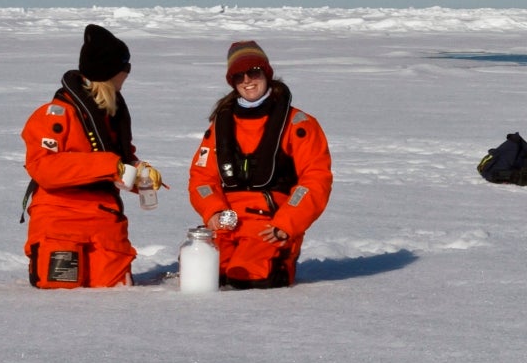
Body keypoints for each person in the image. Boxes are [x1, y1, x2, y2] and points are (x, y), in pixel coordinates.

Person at [21, 23, 163, 287]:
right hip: (60, 219)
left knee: (118, 292)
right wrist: (111, 166)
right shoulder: (53, 116)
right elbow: (44, 168)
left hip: (103, 219)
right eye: (126, 68)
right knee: (62, 294)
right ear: (110, 73)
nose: (128, 74)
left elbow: (119, 161)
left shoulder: (111, 114)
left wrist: (140, 173)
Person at [187, 40, 334, 288]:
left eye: (253, 72)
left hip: (270, 225)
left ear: (266, 73)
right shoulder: (219, 127)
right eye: (238, 76)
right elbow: (202, 179)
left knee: (248, 275)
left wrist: (286, 225)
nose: (247, 80)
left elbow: (316, 179)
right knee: (202, 273)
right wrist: (212, 211)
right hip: (227, 223)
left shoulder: (299, 124)